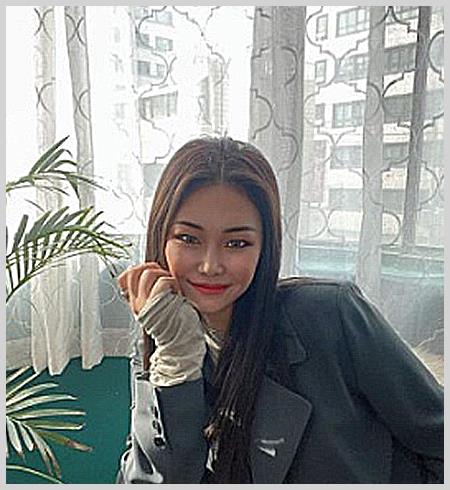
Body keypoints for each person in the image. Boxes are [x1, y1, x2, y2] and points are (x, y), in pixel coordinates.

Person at [115, 137, 443, 484]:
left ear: (264, 247)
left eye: (236, 243)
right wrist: (176, 356)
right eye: (188, 239)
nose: (210, 265)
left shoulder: (330, 315)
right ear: (161, 239)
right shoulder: (162, 335)